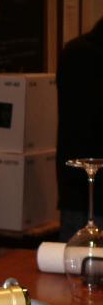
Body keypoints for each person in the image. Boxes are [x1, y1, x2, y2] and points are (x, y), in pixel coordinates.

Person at [56, 15, 103, 240]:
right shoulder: (82, 55)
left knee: (75, 267)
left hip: (74, 191)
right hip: (88, 188)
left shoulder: (72, 52)